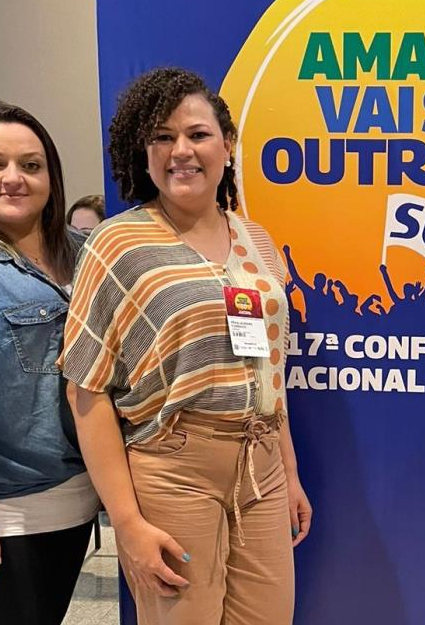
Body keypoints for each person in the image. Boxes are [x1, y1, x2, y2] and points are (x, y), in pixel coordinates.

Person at [59, 67, 311, 625]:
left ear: (227, 145)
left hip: (263, 466)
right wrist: (126, 524)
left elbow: (269, 369)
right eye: (162, 137)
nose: (181, 151)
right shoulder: (116, 244)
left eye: (197, 134)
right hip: (174, 469)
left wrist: (289, 472)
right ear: (143, 152)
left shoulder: (258, 240)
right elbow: (87, 390)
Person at [0, 102, 100, 623]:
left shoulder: (89, 254)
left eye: (30, 165)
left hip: (81, 494)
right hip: (15, 508)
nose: (13, 178)